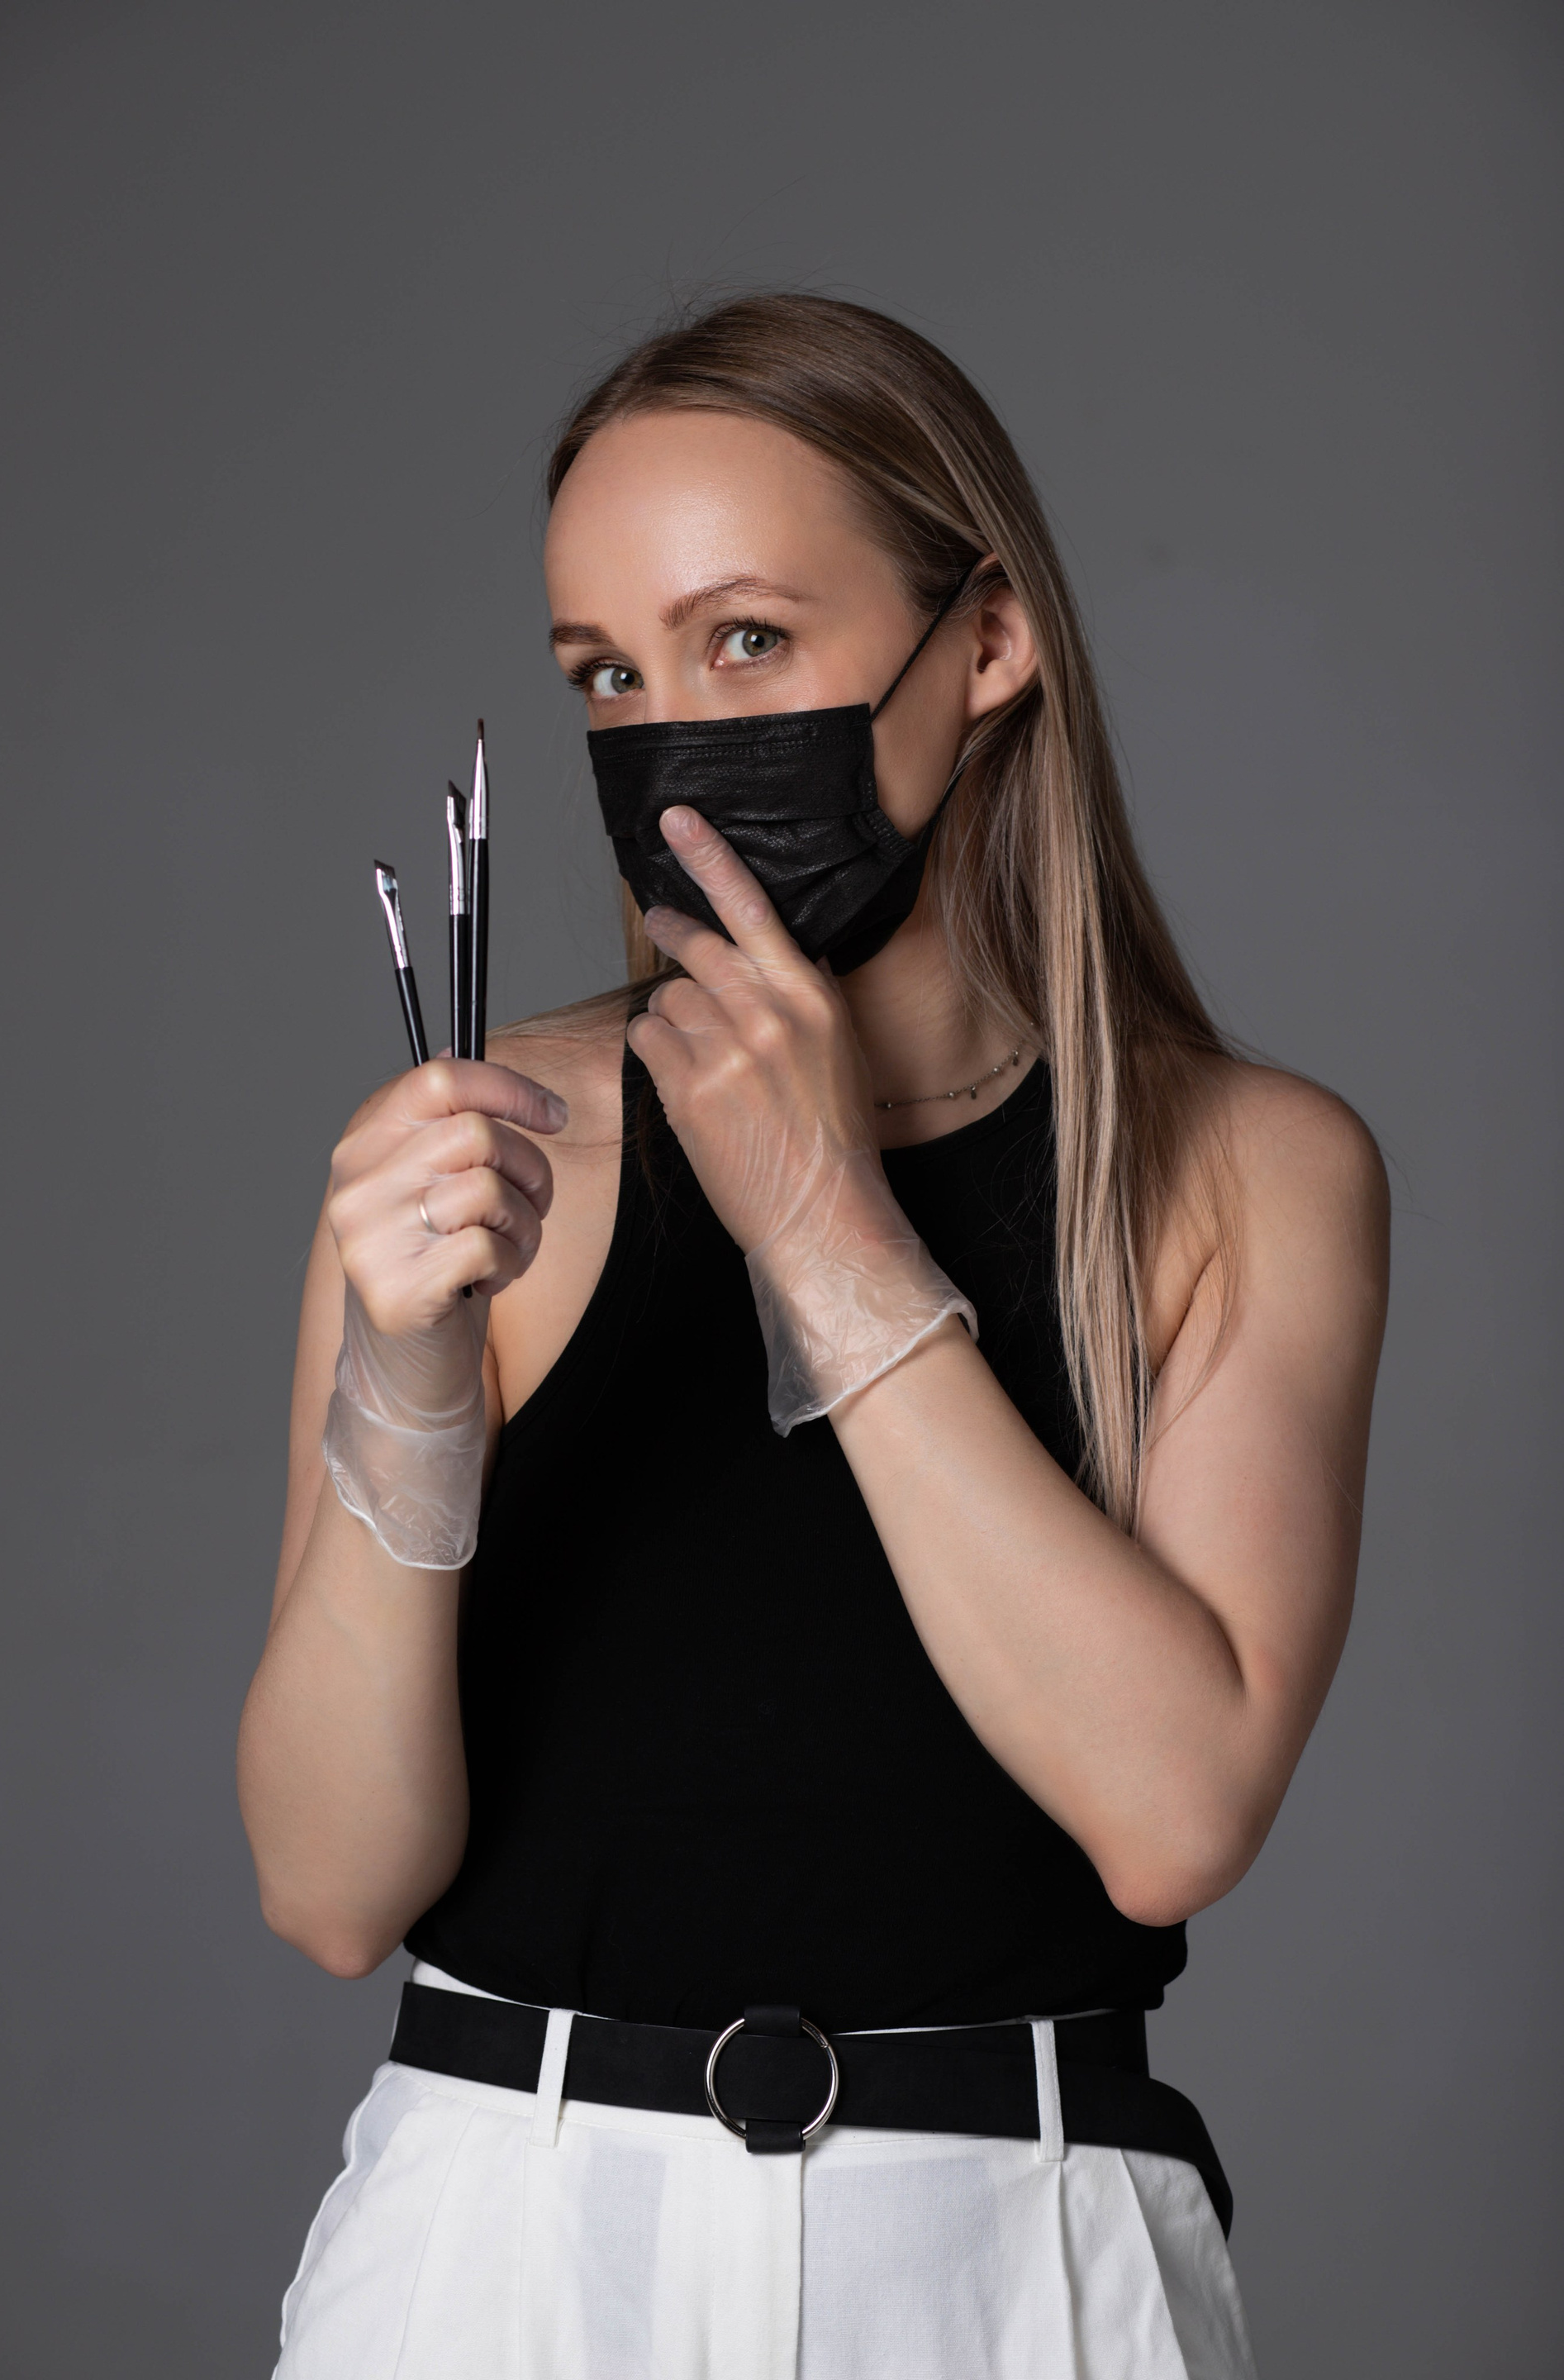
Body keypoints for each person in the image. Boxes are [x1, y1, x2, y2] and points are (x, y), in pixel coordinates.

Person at [239, 293, 1389, 2379]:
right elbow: (329, 1888)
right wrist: (406, 1396)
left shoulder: (1243, 1173)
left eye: (749, 641)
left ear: (989, 642)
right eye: (610, 673)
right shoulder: (487, 1157)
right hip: (505, 2245)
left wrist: (828, 1230)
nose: (671, 734)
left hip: (1016, 2260)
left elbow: (1174, 1814)